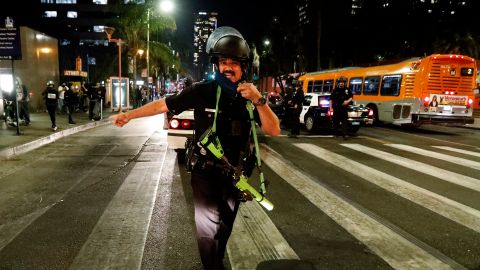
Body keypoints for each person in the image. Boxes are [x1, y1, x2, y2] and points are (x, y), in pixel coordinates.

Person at [112, 26, 280, 270]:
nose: (228, 67)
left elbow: (274, 129)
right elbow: (163, 105)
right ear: (216, 65)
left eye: (234, 62)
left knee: (224, 229)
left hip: (235, 176)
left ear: (245, 67)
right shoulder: (203, 91)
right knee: (207, 231)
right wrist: (129, 115)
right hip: (205, 173)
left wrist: (259, 100)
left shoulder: (251, 97)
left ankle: (215, 263)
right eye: (223, 62)